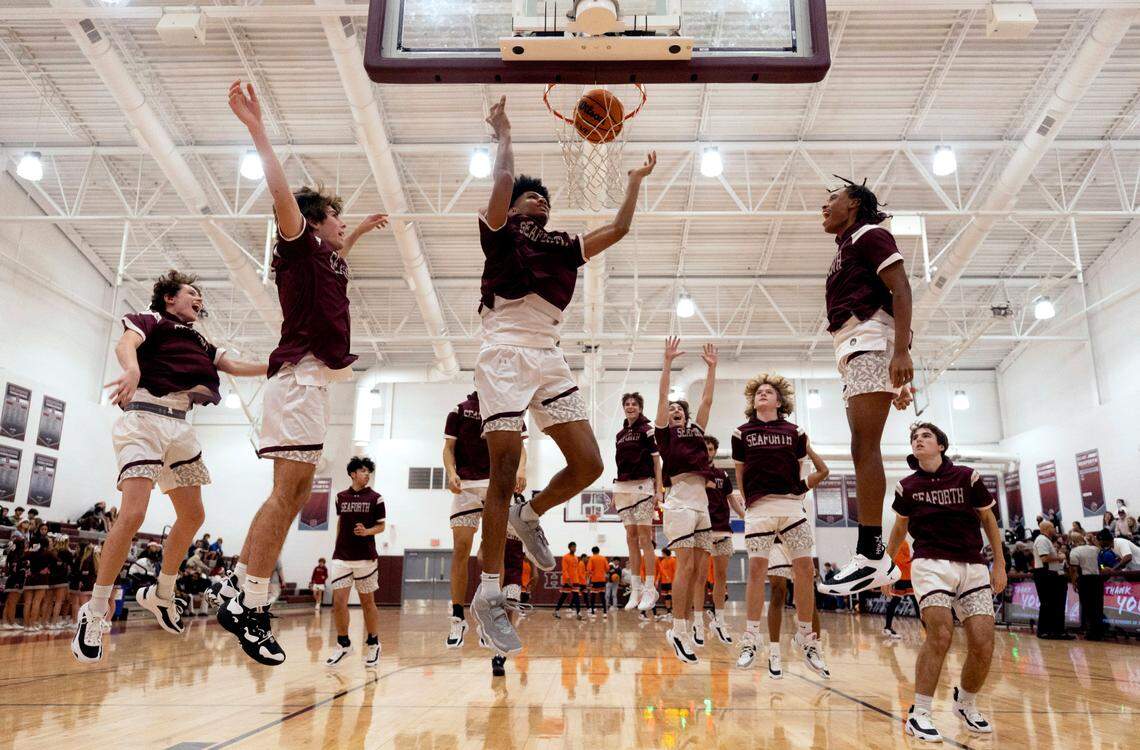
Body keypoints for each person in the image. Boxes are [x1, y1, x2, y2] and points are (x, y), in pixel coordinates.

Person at [469, 95, 657, 655]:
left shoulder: (564, 244)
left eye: (544, 196)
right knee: (504, 469)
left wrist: (635, 180)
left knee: (591, 464)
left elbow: (619, 229)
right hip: (503, 347)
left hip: (547, 350)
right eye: (531, 194)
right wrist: (503, 131)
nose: (539, 199)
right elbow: (503, 178)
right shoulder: (501, 231)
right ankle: (487, 594)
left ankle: (532, 515)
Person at [217, 80, 389, 667]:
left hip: (310, 384)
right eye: (337, 219)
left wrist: (362, 230)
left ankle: (243, 591)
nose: (342, 225)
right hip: (297, 380)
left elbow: (342, 255)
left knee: (290, 498)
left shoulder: (329, 259)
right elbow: (282, 194)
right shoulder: (297, 242)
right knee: (286, 494)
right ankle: (246, 598)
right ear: (316, 223)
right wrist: (258, 130)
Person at [70, 270, 266, 664]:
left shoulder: (199, 339)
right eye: (191, 292)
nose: (198, 298)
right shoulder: (150, 319)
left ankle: (162, 592)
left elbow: (236, 364)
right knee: (133, 514)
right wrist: (133, 368)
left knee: (193, 516)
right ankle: (94, 611)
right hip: (142, 418)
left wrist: (280, 364)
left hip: (180, 426)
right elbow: (127, 345)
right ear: (169, 298)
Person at [816, 178, 914, 597]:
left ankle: (872, 554)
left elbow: (902, 289)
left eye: (832, 199)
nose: (824, 206)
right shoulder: (844, 249)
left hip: (871, 342)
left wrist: (901, 354)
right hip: (857, 348)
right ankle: (873, 555)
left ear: (854, 203)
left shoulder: (871, 234)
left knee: (864, 446)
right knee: (861, 446)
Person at [887, 421, 1006, 742]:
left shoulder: (968, 477)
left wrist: (1000, 562)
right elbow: (899, 529)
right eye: (914, 437)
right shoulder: (907, 486)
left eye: (925, 436)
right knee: (940, 633)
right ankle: (920, 712)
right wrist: (887, 566)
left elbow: (988, 519)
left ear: (941, 445)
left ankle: (965, 703)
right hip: (930, 564)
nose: (918, 440)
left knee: (983, 643)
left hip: (973, 565)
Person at [732, 373, 832, 678]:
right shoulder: (741, 433)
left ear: (779, 401)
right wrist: (751, 504)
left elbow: (804, 469)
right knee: (757, 571)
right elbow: (740, 473)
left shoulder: (795, 431)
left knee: (805, 570)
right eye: (758, 392)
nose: (762, 394)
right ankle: (751, 637)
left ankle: (807, 638)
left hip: (791, 505)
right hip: (760, 507)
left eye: (768, 392)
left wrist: (797, 488)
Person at [442, 391, 526, 648]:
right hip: (466, 485)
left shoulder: (510, 407)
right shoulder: (459, 409)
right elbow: (448, 448)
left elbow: (520, 447)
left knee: (494, 553)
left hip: (496, 484)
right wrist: (451, 472)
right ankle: (458, 617)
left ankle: (490, 616)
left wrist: (521, 471)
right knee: (460, 549)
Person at [654, 337, 718, 664]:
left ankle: (693, 621)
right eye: (671, 409)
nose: (675, 410)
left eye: (679, 408)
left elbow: (706, 400)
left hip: (701, 504)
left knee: (699, 569)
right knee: (686, 565)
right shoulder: (665, 434)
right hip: (679, 501)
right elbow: (663, 395)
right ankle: (677, 628)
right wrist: (667, 362)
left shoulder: (696, 430)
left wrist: (712, 368)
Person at [323, 457, 386, 670]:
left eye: (369, 471)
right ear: (352, 474)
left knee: (367, 602)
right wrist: (337, 544)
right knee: (338, 601)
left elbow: (381, 527)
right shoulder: (340, 497)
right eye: (363, 471)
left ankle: (373, 643)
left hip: (366, 557)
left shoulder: (376, 498)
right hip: (342, 557)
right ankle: (343, 644)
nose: (367, 474)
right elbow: (341, 521)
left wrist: (367, 532)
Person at [613, 392, 664, 611]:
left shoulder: (648, 429)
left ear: (640, 408)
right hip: (623, 487)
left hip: (644, 485)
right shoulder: (620, 434)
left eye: (634, 404)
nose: (630, 406)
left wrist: (658, 489)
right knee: (630, 538)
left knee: (645, 538)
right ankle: (636, 588)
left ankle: (651, 588)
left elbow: (656, 461)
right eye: (627, 404)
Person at [703, 434, 743, 644]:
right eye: (705, 448)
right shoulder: (694, 474)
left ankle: (719, 619)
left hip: (723, 530)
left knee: (721, 578)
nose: (708, 452)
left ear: (715, 451)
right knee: (698, 578)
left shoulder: (722, 475)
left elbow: (731, 499)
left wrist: (746, 516)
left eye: (711, 448)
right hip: (701, 530)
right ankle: (697, 622)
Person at [765, 539, 824, 679]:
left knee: (809, 600)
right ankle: (774, 653)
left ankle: (815, 648)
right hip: (774, 538)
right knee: (778, 593)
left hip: (796, 535)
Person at [1032, 520, 1071, 640]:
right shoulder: (1042, 540)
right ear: (1048, 529)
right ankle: (1045, 631)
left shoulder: (1045, 540)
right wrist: (1060, 557)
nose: (1054, 529)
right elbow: (1044, 558)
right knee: (1047, 603)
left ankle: (1054, 631)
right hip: (1046, 574)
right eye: (1053, 527)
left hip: (1048, 574)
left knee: (1052, 604)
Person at [1069, 533, 1104, 641]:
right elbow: (1100, 547)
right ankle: (1099, 632)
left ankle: (1090, 632)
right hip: (1097, 579)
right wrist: (1093, 539)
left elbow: (1074, 570)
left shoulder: (1074, 552)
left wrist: (1074, 582)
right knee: (1098, 605)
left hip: (1085, 580)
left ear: (1072, 541)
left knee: (1087, 606)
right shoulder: (1094, 549)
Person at [881, 538, 916, 639]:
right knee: (897, 602)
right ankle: (887, 627)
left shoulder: (904, 542)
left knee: (915, 603)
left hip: (906, 575)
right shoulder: (895, 542)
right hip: (901, 576)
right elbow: (889, 560)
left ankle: (887, 627)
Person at [553, 542, 581, 619]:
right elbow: (564, 570)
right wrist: (568, 580)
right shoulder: (565, 557)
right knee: (564, 596)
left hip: (575, 580)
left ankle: (578, 613)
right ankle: (556, 611)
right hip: (567, 580)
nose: (574, 548)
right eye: (573, 547)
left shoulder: (576, 557)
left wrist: (578, 580)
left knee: (576, 596)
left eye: (575, 547)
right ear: (569, 548)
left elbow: (576, 570)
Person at [586, 547, 608, 618]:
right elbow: (607, 568)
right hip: (602, 579)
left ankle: (592, 613)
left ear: (592, 552)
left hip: (594, 580)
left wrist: (591, 574)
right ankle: (605, 613)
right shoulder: (603, 558)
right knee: (602, 597)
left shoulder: (591, 558)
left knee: (593, 597)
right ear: (599, 551)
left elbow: (589, 569)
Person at [656, 548, 675, 620]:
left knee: (671, 597)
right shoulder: (662, 561)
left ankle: (675, 612)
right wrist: (657, 580)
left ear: (665, 553)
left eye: (662, 553)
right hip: (664, 583)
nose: (661, 554)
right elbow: (660, 572)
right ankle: (669, 612)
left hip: (671, 582)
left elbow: (675, 571)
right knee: (666, 598)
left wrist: (674, 581)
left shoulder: (673, 560)